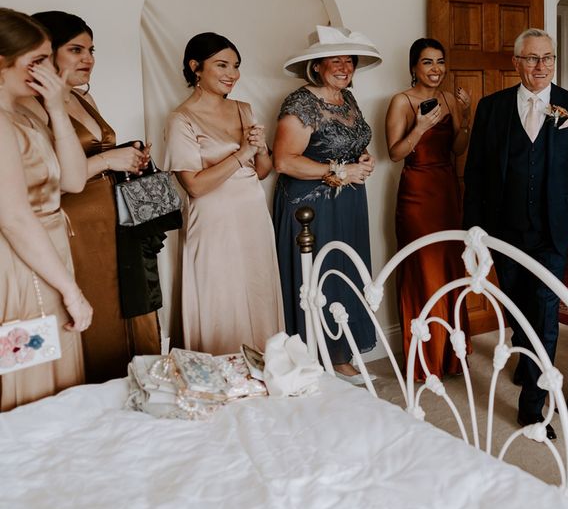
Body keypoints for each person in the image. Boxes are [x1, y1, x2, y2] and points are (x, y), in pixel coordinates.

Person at [463, 28, 568, 440]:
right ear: (516, 62)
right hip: (504, 230)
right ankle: (525, 361)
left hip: (553, 232)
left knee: (545, 313)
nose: (541, 66)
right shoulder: (492, 108)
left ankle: (533, 409)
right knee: (517, 305)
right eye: (533, 58)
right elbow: (477, 175)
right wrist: (474, 233)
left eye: (548, 58)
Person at [31, 11, 160, 384]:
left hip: (113, 216)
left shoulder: (82, 99)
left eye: (91, 50)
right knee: (98, 307)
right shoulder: (34, 106)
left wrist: (129, 158)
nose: (88, 58)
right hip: (77, 224)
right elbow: (47, 176)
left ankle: (137, 385)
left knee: (127, 301)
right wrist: (107, 158)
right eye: (76, 49)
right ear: (46, 52)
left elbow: (94, 154)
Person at [164, 32, 283, 355]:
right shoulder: (181, 119)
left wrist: (259, 149)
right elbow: (195, 185)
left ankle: (263, 369)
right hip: (213, 221)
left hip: (253, 217)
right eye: (222, 65)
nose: (232, 73)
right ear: (195, 67)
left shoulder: (244, 109)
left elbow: (261, 171)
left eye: (236, 66)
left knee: (257, 292)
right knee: (220, 297)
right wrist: (242, 152)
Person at [273, 26, 380, 381]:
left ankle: (339, 353)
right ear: (316, 65)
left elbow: (350, 143)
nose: (345, 66)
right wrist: (338, 170)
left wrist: (363, 160)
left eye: (349, 59)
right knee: (317, 275)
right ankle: (313, 356)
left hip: (348, 201)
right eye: (336, 59)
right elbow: (284, 161)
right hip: (311, 204)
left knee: (344, 271)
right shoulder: (300, 103)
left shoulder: (346, 99)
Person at [0, 8, 92, 411]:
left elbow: (73, 181)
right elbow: (14, 218)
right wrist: (71, 291)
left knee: (60, 371)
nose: (48, 70)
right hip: (23, 265)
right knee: (34, 379)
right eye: (36, 61)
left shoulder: (21, 114)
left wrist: (56, 107)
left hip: (50, 255)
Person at [385, 38, 472, 379]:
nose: (436, 69)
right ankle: (425, 357)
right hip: (417, 194)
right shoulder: (401, 101)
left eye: (440, 61)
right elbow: (394, 152)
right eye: (427, 62)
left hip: (447, 190)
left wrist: (465, 116)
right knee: (424, 268)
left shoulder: (450, 98)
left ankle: (452, 355)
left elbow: (458, 149)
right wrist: (420, 127)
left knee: (450, 267)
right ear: (413, 68)